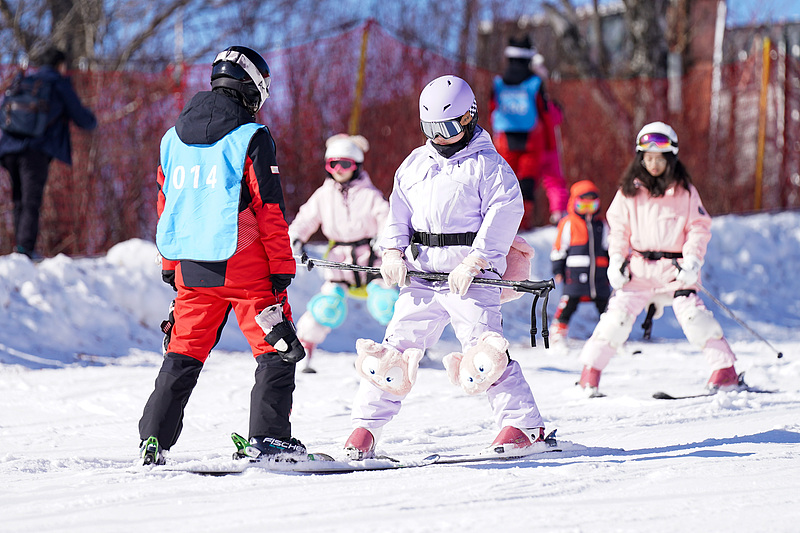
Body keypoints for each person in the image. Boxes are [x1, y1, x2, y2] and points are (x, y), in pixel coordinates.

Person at [343, 75, 547, 459]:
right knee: (393, 354)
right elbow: (397, 213)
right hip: (421, 277)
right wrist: (392, 252)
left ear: (469, 118)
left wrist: (477, 260)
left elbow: (505, 213)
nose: (440, 137)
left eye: (449, 127)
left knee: (484, 353)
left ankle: (523, 425)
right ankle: (364, 429)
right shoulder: (415, 165)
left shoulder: (489, 166)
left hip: (471, 278)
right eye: (431, 129)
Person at [139, 46, 306, 466]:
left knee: (183, 351)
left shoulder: (170, 139)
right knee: (277, 348)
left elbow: (167, 205)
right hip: (246, 262)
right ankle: (268, 440)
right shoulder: (252, 136)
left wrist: (169, 265)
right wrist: (282, 268)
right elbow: (269, 210)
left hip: (192, 267)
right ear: (252, 89)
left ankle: (153, 439)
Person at [576, 121, 740, 395]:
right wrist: (617, 260)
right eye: (648, 158)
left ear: (670, 159)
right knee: (615, 321)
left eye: (659, 159)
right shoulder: (629, 192)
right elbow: (619, 229)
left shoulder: (685, 192)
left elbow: (698, 228)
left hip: (675, 272)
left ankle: (725, 371)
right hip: (638, 272)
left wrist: (693, 262)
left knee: (694, 318)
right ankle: (588, 374)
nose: (653, 164)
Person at [288, 133, 395, 374]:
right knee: (326, 306)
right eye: (332, 164)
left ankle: (407, 347)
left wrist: (386, 241)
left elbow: (387, 219)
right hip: (339, 264)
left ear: (356, 165)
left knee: (386, 303)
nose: (339, 169)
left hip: (370, 261)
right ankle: (305, 349)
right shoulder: (323, 195)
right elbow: (305, 219)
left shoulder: (370, 195)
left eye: (345, 164)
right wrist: (295, 238)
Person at [0, 47, 97, 259]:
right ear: (60, 65)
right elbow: (81, 117)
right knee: (31, 200)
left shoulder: (24, 80)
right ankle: (25, 250)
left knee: (18, 198)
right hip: (34, 149)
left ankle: (21, 249)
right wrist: (93, 120)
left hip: (8, 147)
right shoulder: (58, 83)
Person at [490, 35, 568, 230]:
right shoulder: (535, 82)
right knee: (526, 182)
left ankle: (502, 224)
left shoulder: (499, 81)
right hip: (532, 139)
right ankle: (523, 224)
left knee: (504, 180)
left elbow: (492, 107)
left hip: (504, 138)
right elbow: (544, 112)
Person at [549, 180, 611, 344]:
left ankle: (612, 335)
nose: (587, 211)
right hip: (575, 276)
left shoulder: (602, 225)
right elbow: (559, 249)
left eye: (592, 206)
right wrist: (558, 270)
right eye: (583, 206)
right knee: (569, 303)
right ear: (574, 203)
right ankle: (558, 334)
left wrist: (614, 268)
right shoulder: (569, 224)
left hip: (599, 276)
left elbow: (608, 248)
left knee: (607, 306)